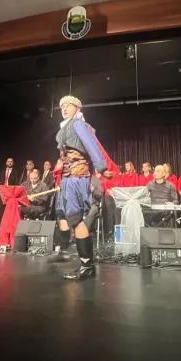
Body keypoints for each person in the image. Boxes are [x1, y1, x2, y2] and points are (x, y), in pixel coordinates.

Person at [55, 95, 110, 280]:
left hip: (76, 178)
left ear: (77, 108)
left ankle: (87, 266)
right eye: (61, 106)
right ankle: (71, 253)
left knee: (75, 218)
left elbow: (91, 145)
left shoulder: (78, 124)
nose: (64, 108)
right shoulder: (66, 127)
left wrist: (101, 167)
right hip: (67, 179)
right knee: (64, 215)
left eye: (68, 105)